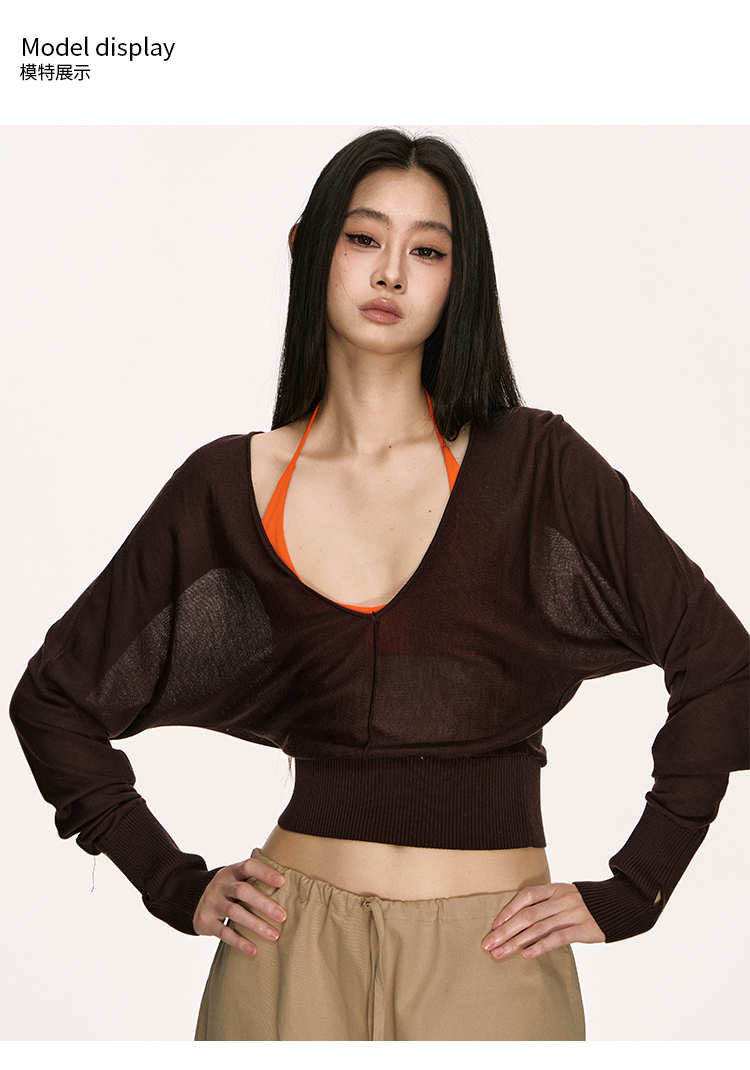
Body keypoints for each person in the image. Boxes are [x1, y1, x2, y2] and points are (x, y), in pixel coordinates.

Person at [9, 128, 748, 1042]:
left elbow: (723, 664)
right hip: (283, 955)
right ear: (308, 248)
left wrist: (639, 886)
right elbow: (54, 702)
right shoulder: (226, 485)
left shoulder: (536, 466)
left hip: (490, 953)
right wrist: (173, 882)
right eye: (364, 238)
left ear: (460, 279)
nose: (391, 272)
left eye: (428, 251)